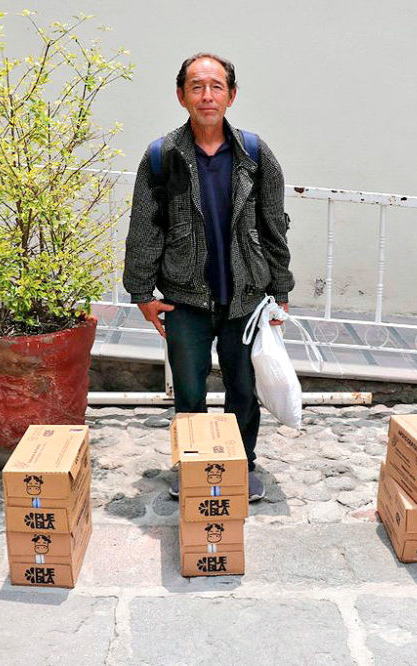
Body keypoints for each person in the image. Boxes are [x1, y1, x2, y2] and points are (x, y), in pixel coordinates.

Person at [123, 53, 295, 502]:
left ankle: (243, 464)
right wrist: (141, 292)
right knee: (190, 390)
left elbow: (273, 223)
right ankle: (193, 465)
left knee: (243, 388)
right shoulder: (162, 156)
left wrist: (281, 289)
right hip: (184, 298)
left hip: (246, 297)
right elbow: (144, 227)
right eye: (197, 86)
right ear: (181, 95)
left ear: (231, 95)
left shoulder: (254, 154)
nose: (207, 95)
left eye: (216, 86)